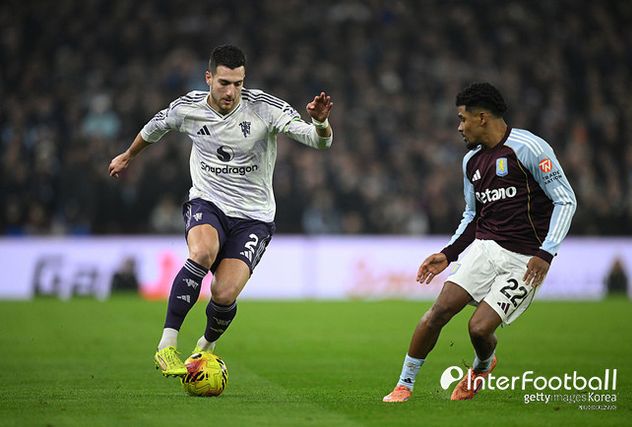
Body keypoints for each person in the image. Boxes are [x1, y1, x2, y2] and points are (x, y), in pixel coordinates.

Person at [108, 45, 333, 377]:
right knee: (202, 252)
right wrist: (128, 155)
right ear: (208, 78)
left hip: (254, 218)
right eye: (224, 83)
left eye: (238, 84)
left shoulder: (264, 108)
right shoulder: (188, 108)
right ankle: (167, 345)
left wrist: (320, 122)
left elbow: (319, 142)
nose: (231, 92)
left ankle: (205, 347)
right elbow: (155, 127)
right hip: (208, 202)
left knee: (224, 293)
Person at [382, 82, 576, 402]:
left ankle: (482, 367)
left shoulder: (529, 148)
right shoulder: (471, 161)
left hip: (524, 261)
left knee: (479, 329)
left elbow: (565, 200)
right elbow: (473, 215)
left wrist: (546, 252)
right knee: (439, 311)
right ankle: (404, 384)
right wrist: (448, 254)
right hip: (485, 249)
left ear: (482, 117)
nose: (459, 127)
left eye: (462, 119)